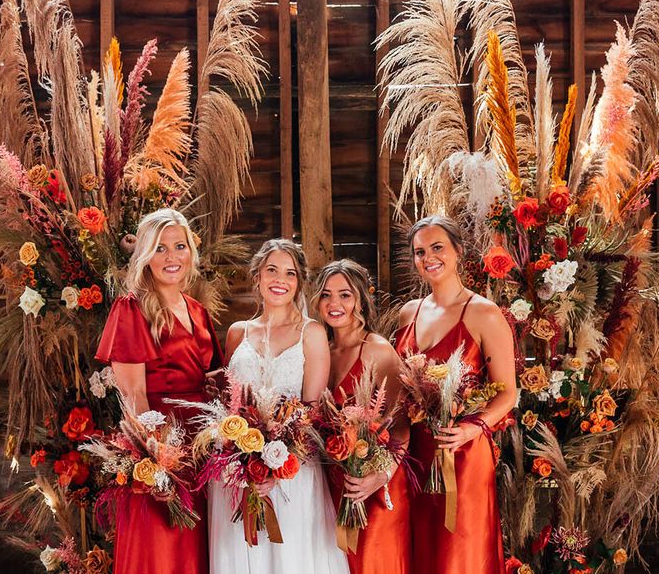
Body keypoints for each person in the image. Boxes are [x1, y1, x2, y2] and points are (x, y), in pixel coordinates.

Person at [208, 239, 349, 574]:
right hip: (237, 474)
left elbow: (312, 411)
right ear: (257, 276)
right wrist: (245, 462)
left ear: (299, 282)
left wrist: (274, 468)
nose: (279, 279)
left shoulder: (311, 333)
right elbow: (232, 404)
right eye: (272, 269)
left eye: (290, 273)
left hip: (292, 474)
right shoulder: (237, 333)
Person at [95, 208, 222, 574]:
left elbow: (206, 375)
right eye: (160, 248)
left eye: (179, 246)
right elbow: (133, 397)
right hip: (162, 450)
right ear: (146, 255)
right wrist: (156, 465)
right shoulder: (132, 308)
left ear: (191, 253)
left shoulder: (198, 311)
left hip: (203, 451)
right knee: (163, 554)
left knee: (199, 553)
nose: (172, 257)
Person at [394, 215, 516, 572]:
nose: (428, 258)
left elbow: (507, 394)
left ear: (458, 251)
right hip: (414, 455)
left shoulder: (484, 313)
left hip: (461, 453)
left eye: (437, 248)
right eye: (419, 252)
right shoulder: (408, 314)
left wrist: (471, 428)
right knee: (418, 550)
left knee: (458, 552)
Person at [314, 259, 411, 574]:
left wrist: (380, 476)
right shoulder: (322, 351)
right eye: (326, 295)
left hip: (375, 484)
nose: (334, 303)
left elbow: (400, 427)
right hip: (334, 483)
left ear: (360, 300)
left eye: (345, 294)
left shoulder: (377, 350)